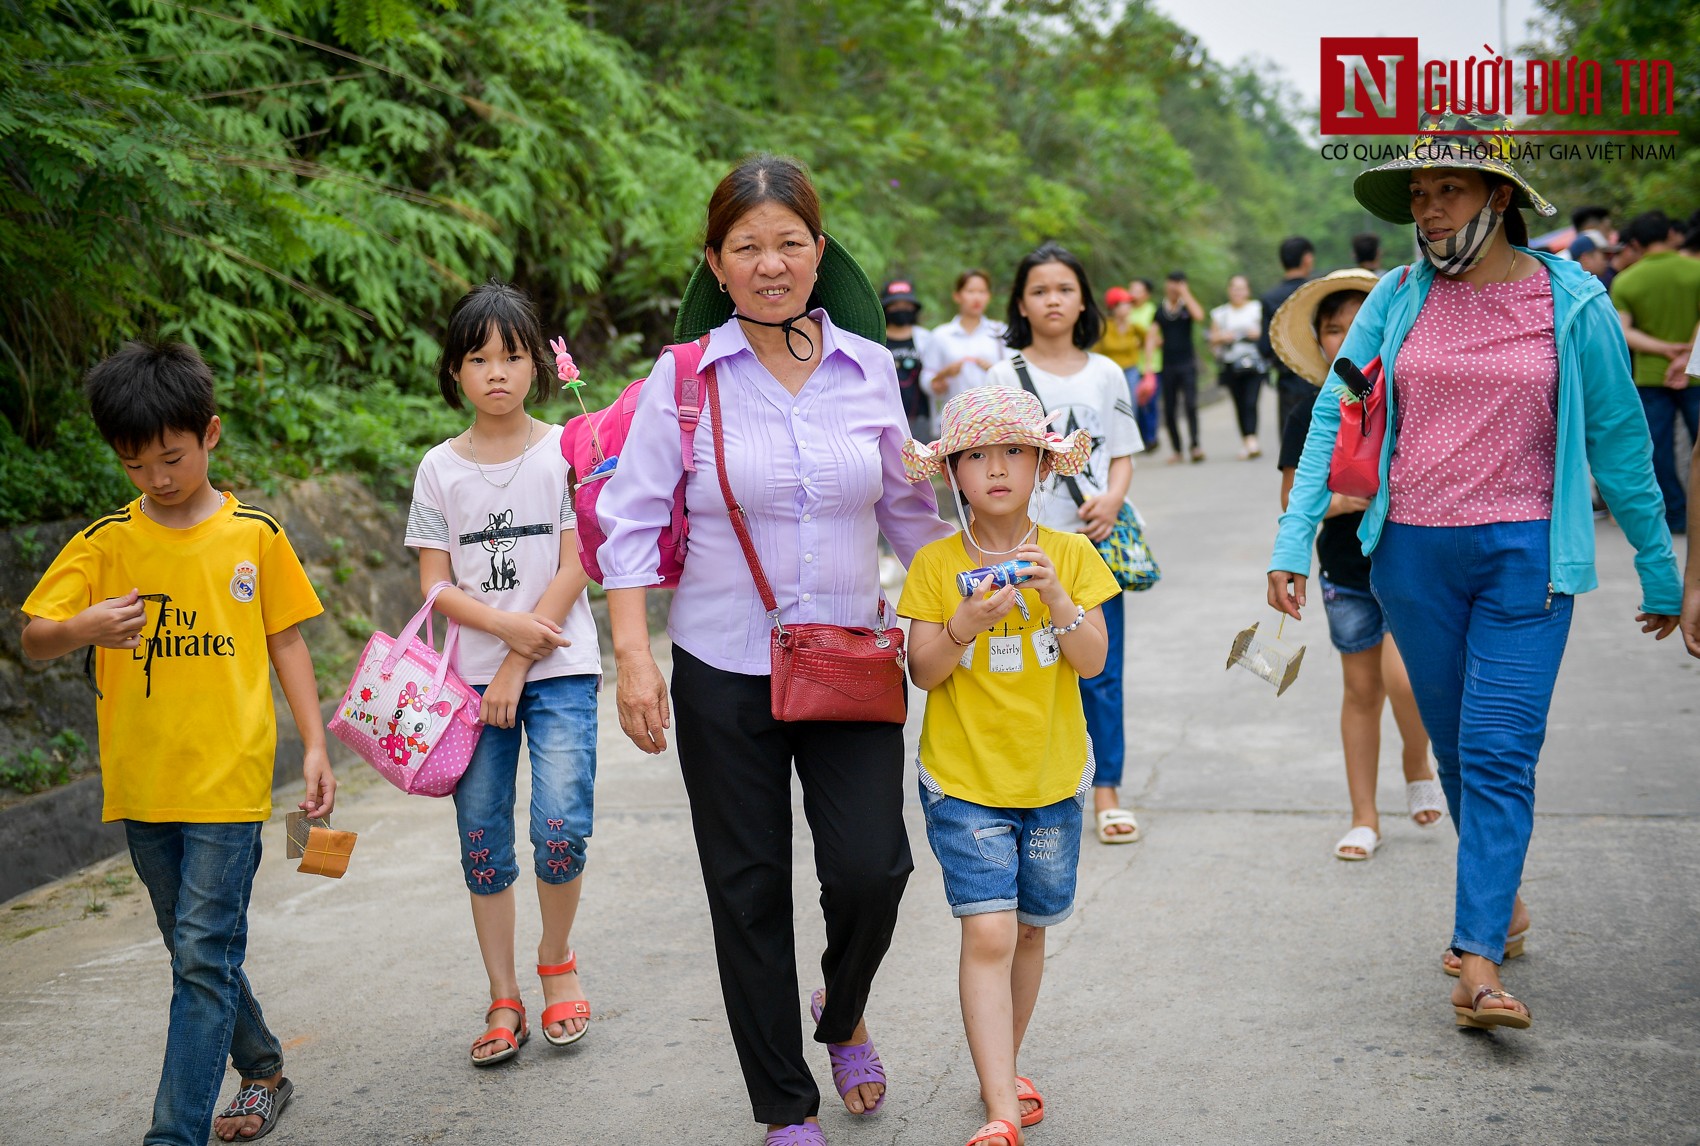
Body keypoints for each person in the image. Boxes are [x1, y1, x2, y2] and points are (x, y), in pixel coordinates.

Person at [1268, 114, 1683, 1032]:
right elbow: (1337, 418)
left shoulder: (1569, 301)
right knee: (1458, 748)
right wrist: (1292, 539)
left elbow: (1619, 440)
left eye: (1446, 190)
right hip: (1410, 556)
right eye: (1418, 194)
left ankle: (1477, 961)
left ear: (1499, 198)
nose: (1429, 209)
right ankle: (1502, 905)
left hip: (1527, 557)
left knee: (1499, 749)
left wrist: (1664, 569)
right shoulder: (1395, 298)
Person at [596, 154, 953, 1145]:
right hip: (720, 670)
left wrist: (979, 590)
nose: (768, 263)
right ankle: (781, 1106)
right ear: (713, 263)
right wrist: (632, 654)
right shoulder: (680, 380)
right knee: (747, 889)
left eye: (787, 243)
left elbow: (911, 515)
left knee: (872, 870)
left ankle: (839, 1015)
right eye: (746, 247)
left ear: (818, 251)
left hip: (848, 660)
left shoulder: (870, 368)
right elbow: (626, 526)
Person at [20, 341, 334, 1145]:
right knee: (198, 953)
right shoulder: (104, 543)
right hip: (142, 783)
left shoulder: (254, 537)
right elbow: (36, 638)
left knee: (199, 956)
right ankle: (263, 1068)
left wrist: (316, 747)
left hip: (228, 784)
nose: (157, 478)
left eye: (171, 457)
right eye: (135, 464)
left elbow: (287, 642)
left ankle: (173, 1135)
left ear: (210, 435)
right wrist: (85, 626)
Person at [895, 387, 1117, 1146]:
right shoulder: (934, 563)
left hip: (1053, 778)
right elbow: (923, 672)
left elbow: (1092, 663)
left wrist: (1057, 597)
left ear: (1042, 468)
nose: (996, 469)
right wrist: (963, 622)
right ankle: (999, 1106)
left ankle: (1004, 1064)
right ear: (953, 471)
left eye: (1014, 453)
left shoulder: (1073, 555)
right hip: (962, 780)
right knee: (988, 932)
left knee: (1028, 931)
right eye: (978, 455)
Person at [403, 280, 601, 1066]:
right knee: (482, 842)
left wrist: (519, 655)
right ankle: (503, 997)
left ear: (536, 367)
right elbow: (434, 584)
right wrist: (501, 633)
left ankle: (556, 960)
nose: (496, 372)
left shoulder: (567, 448)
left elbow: (580, 555)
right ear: (455, 370)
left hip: (559, 672)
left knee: (560, 828)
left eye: (512, 357)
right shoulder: (437, 469)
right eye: (478, 358)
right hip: (465, 689)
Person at [1268, 269, 1439, 860]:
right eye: (1332, 329)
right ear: (1319, 341)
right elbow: (1296, 500)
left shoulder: (1410, 398)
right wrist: (1351, 498)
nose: (1345, 338)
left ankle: (1417, 760)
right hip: (1344, 574)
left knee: (1404, 678)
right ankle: (1364, 816)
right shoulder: (1306, 415)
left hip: (1411, 564)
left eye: (1356, 325)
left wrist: (1356, 497)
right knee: (1361, 691)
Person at [986, 242, 1141, 845]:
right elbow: (987, 461)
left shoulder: (1106, 373)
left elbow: (1122, 453)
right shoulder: (1003, 375)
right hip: (1021, 549)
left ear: (1083, 301)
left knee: (1102, 669)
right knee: (1022, 669)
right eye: (1040, 290)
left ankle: (1106, 793)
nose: (1053, 300)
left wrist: (1112, 499)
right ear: (1021, 303)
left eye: (1065, 289)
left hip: (1091, 545)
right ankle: (1028, 788)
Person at [1609, 210, 1700, 535]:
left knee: (1657, 449)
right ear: (1672, 235)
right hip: (1696, 373)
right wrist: (1687, 354)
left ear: (1635, 242)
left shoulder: (1626, 280)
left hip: (1649, 375)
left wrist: (1664, 350)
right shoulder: (1695, 270)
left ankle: (1675, 516)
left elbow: (1624, 331)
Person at [1259, 236, 1317, 434]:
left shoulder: (1269, 298)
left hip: (1288, 380)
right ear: (1307, 258)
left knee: (1292, 446)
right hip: (1321, 379)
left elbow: (1265, 347)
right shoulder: (1317, 291)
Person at [928, 268, 1009, 404]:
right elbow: (927, 378)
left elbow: (1014, 374)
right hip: (955, 418)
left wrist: (994, 370)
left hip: (995, 419)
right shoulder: (941, 335)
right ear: (957, 296)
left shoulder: (1000, 332)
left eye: (982, 292)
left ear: (989, 296)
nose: (977, 298)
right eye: (970, 291)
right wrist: (941, 378)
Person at [1209, 274, 1265, 458]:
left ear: (1247, 290)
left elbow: (1268, 333)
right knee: (1239, 403)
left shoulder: (1257, 309)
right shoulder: (1220, 313)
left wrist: (1256, 334)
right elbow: (1212, 339)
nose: (1238, 292)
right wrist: (1224, 337)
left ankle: (1252, 439)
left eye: (1241, 288)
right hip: (1231, 365)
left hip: (1254, 364)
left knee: (1251, 401)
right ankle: (1246, 440)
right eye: (1234, 288)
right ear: (1229, 290)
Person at [1153, 271, 1205, 463]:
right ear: (1167, 284)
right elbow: (1152, 335)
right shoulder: (1161, 310)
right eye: (1172, 282)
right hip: (1168, 366)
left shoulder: (1186, 308)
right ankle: (1177, 449)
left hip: (1187, 364)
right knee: (1169, 408)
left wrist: (1185, 293)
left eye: (1179, 283)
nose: (1175, 286)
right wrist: (1150, 362)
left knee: (1191, 404)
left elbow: (1199, 315)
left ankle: (1195, 445)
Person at [1092, 285, 1151, 450]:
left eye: (1129, 304)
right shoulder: (1105, 327)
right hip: (1109, 373)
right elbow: (1095, 351)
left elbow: (1150, 339)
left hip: (1130, 370)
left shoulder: (1134, 327)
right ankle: (1111, 441)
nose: (1128, 307)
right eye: (1124, 304)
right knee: (1110, 405)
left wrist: (1143, 352)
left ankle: (1129, 443)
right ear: (1114, 307)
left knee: (1131, 404)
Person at [883, 278, 937, 440]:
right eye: (895, 305)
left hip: (920, 418)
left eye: (906, 305)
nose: (901, 309)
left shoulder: (927, 339)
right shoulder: (875, 340)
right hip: (886, 417)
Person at [1127, 278, 1162, 447]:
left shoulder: (1153, 312)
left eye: (1137, 290)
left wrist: (1144, 342)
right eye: (1131, 289)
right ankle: (1140, 438)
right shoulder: (1126, 311)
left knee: (1149, 403)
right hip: (1130, 366)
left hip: (1152, 366)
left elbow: (1161, 339)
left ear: (1146, 294)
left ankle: (1151, 437)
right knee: (1135, 403)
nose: (1133, 294)